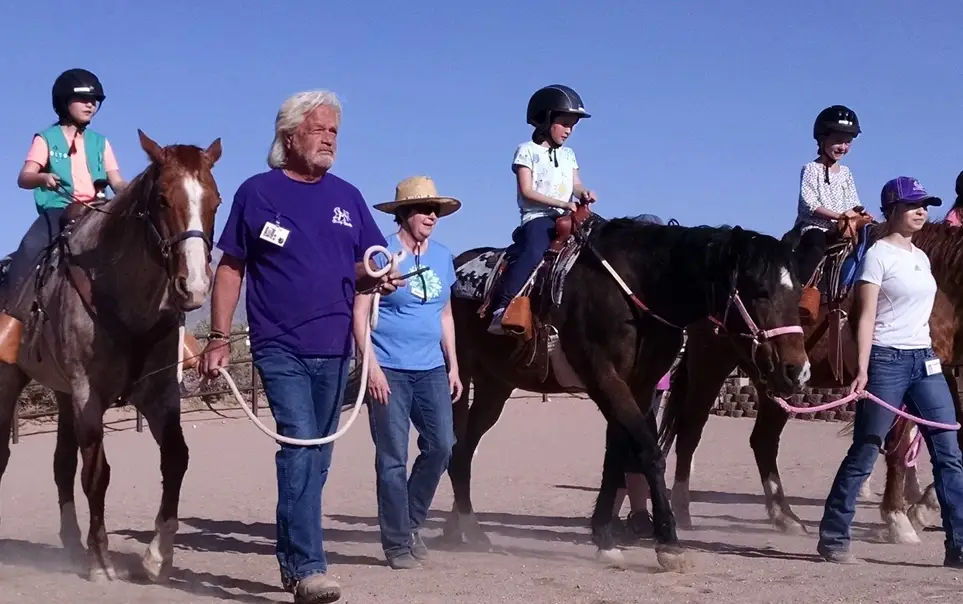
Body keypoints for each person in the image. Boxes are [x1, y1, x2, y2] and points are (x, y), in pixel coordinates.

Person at [199, 90, 402, 604]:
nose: (330, 138)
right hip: (279, 345)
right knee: (300, 444)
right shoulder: (257, 193)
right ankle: (307, 568)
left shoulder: (348, 197)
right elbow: (230, 267)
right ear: (289, 136)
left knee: (317, 458)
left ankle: (295, 556)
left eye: (334, 131)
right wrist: (219, 337)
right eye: (319, 129)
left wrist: (379, 271)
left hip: (336, 347)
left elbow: (365, 261)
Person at [816, 176, 963, 567]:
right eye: (914, 205)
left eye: (925, 205)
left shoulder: (921, 257)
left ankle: (959, 545)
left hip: (925, 361)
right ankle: (833, 535)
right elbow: (865, 318)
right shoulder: (877, 255)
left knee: (948, 452)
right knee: (865, 448)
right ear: (893, 210)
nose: (922, 211)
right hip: (887, 360)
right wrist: (862, 368)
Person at [352, 175, 462, 569]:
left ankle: (411, 521)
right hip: (390, 370)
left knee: (443, 446)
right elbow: (360, 315)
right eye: (423, 209)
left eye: (435, 209)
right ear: (404, 213)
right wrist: (373, 370)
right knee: (392, 458)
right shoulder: (380, 256)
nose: (431, 215)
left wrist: (454, 365)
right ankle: (397, 543)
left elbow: (445, 313)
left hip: (431, 367)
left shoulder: (443, 256)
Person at [0, 68, 126, 359]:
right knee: (29, 250)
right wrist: (43, 178)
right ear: (63, 102)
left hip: (98, 209)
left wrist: (131, 193)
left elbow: (117, 181)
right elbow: (24, 177)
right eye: (82, 99)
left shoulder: (101, 142)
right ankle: (12, 325)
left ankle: (170, 332)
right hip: (58, 211)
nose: (90, 104)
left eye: (95, 100)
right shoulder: (46, 138)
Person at [487, 84, 596, 335]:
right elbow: (526, 191)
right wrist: (561, 203)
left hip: (568, 216)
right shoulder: (527, 151)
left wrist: (584, 193)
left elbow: (575, 184)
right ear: (546, 121)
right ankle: (501, 308)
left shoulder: (569, 155)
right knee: (535, 252)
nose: (569, 130)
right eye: (565, 123)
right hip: (538, 217)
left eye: (572, 125)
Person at [793, 104, 869, 285]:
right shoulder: (811, 169)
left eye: (848, 142)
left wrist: (861, 214)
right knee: (816, 248)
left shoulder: (846, 173)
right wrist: (838, 216)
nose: (843, 147)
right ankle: (800, 289)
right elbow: (808, 203)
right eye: (838, 141)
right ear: (822, 139)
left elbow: (853, 202)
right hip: (816, 228)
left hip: (842, 229)